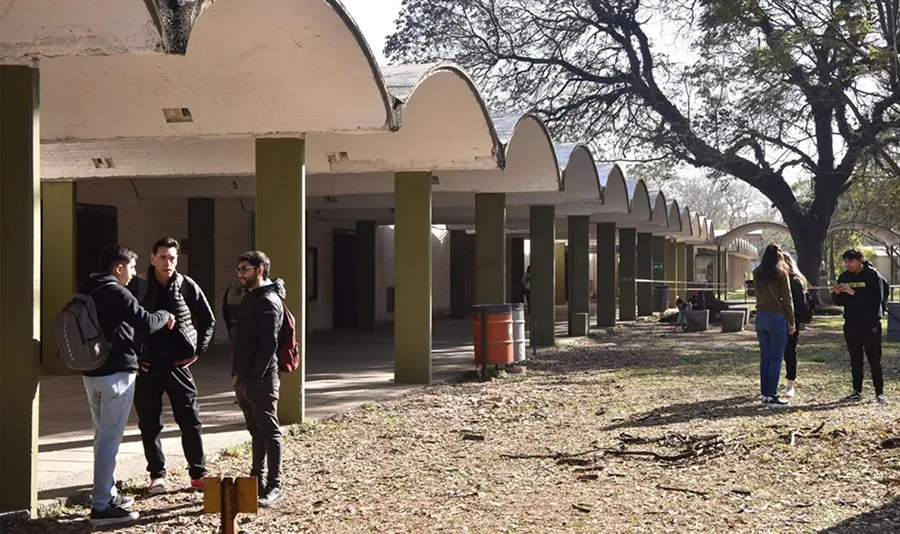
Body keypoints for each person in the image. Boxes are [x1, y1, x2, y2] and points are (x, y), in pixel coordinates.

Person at [79, 245, 174, 527]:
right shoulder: (115, 290)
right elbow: (144, 321)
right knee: (109, 440)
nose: (133, 275)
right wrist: (165, 316)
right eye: (131, 268)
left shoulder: (87, 288)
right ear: (118, 268)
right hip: (116, 374)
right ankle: (101, 507)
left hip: (91, 373)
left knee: (101, 437)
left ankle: (107, 494)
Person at [128, 237, 216, 494]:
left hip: (178, 365)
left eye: (173, 258)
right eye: (163, 257)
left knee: (190, 420)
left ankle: (198, 473)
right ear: (153, 258)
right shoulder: (138, 285)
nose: (168, 263)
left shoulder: (186, 284)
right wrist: (134, 358)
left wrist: (198, 351)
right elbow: (123, 322)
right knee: (150, 422)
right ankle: (157, 475)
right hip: (147, 366)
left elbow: (208, 320)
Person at [232, 251, 287, 507]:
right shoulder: (251, 298)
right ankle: (255, 480)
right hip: (245, 379)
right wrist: (237, 375)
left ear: (260, 270)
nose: (240, 274)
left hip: (262, 379)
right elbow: (242, 340)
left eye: (245, 269)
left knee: (269, 431)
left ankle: (275, 485)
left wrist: (253, 378)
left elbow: (269, 344)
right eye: (239, 269)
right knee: (255, 431)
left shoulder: (268, 300)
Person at [832, 249, 888, 404]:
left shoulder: (872, 275)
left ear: (860, 261)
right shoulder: (845, 276)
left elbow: (876, 299)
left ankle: (879, 393)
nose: (847, 264)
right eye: (845, 261)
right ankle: (857, 391)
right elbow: (839, 301)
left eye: (851, 261)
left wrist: (854, 293)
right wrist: (836, 294)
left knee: (874, 358)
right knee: (855, 358)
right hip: (851, 323)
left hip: (870, 323)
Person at [753, 244, 796, 408]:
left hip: (760, 316)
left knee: (765, 357)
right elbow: (787, 298)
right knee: (777, 357)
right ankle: (772, 394)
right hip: (776, 317)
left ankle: (765, 394)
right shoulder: (781, 273)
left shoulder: (757, 273)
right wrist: (791, 321)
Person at [782, 254, 811, 398]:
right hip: (782, 318)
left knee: (789, 352)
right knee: (786, 352)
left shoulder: (794, 280)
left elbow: (799, 303)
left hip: (792, 320)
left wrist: (793, 321)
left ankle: (790, 383)